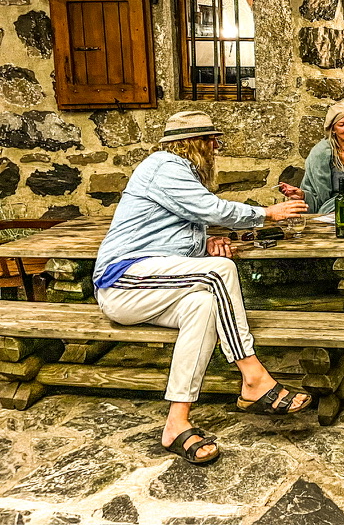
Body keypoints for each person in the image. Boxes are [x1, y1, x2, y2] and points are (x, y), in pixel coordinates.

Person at [94, 111, 312, 466]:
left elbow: (172, 233)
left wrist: (206, 243)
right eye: (212, 141)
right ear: (196, 142)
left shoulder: (178, 174)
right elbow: (209, 208)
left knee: (204, 306)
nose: (215, 148)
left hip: (152, 285)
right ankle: (254, 377)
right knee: (220, 271)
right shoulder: (164, 165)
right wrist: (267, 214)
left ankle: (176, 421)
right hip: (122, 281)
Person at [279, 102, 344, 214]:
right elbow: (317, 198)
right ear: (333, 129)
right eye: (341, 125)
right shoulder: (319, 154)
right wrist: (302, 195)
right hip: (330, 211)